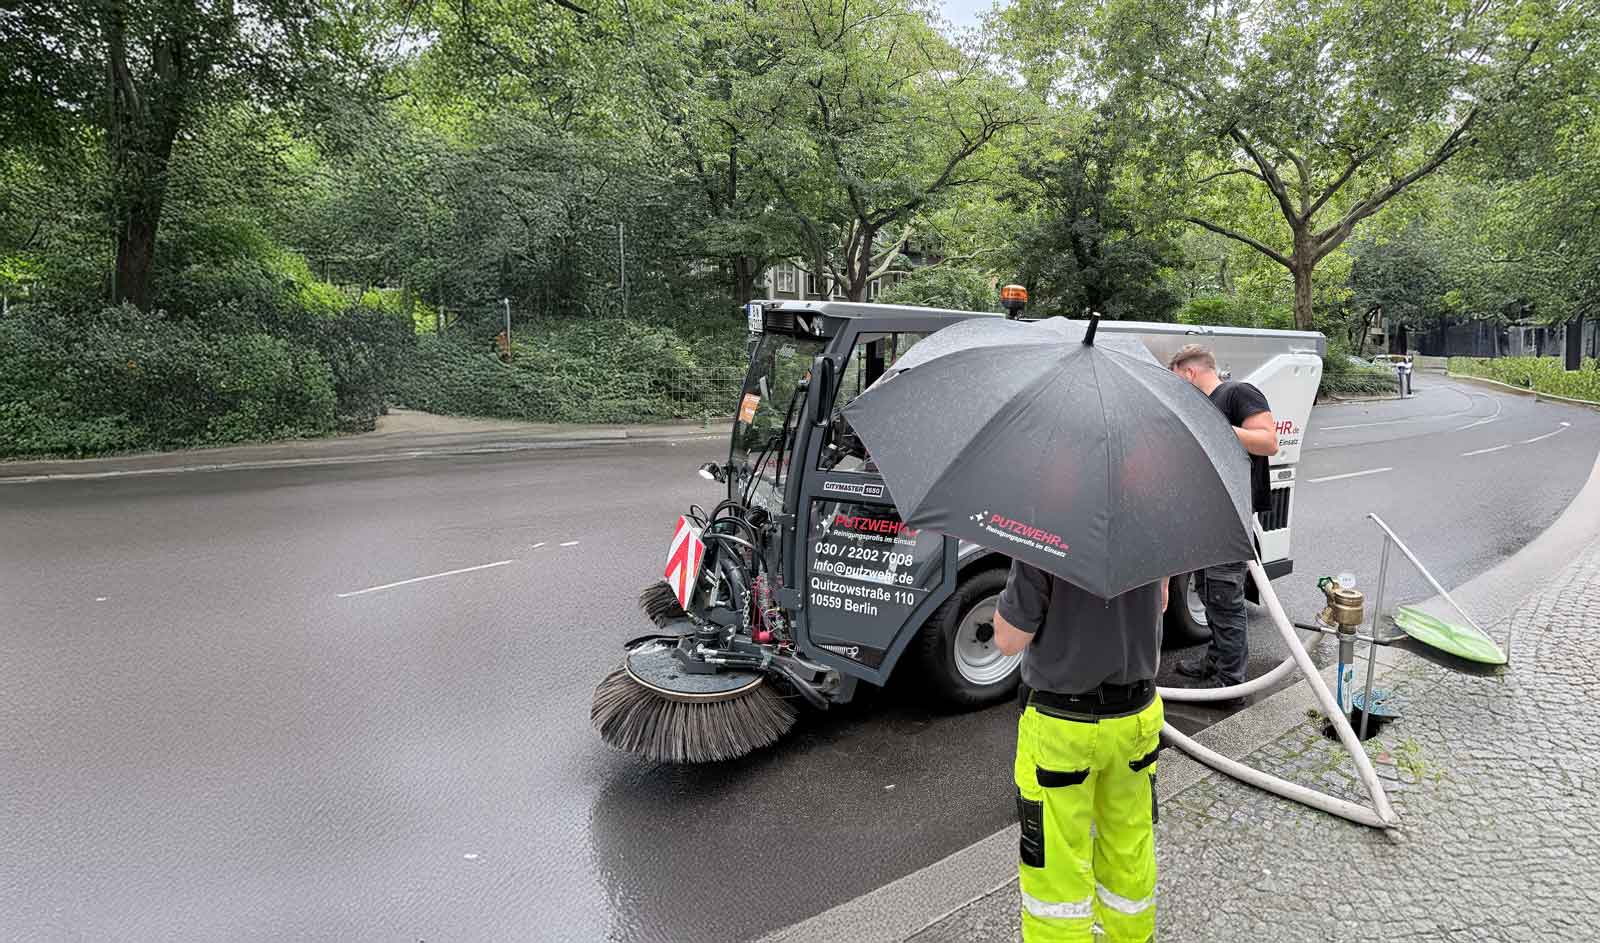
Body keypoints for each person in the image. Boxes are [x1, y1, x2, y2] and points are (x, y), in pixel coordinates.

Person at [992, 562, 1170, 943]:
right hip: (1135, 718)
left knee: (1056, 866)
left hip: (1062, 725)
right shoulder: (1155, 523)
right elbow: (1162, 602)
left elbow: (1009, 640)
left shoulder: (1043, 531)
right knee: (1129, 848)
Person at [1166, 343, 1279, 688]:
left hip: (1230, 520)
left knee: (1226, 600)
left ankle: (1231, 682)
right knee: (1210, 594)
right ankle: (1214, 662)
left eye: (1177, 379)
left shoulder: (1237, 392)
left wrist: (1217, 430)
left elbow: (1268, 441)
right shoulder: (1205, 406)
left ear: (1189, 371)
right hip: (1208, 517)